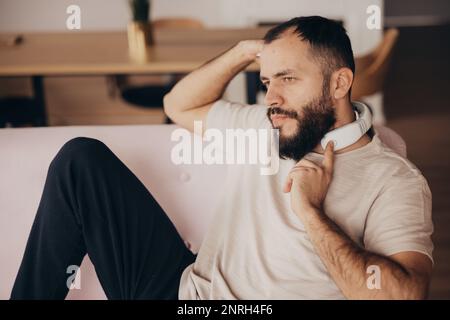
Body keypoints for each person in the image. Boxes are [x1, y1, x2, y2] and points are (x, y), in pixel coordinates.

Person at [11, 16, 433, 300]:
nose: (272, 97)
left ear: (340, 83)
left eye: (288, 78)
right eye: (267, 80)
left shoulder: (393, 179)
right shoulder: (266, 125)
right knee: (80, 161)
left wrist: (310, 211)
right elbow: (179, 105)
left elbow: (402, 294)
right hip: (186, 293)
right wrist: (243, 52)